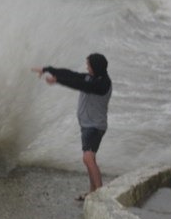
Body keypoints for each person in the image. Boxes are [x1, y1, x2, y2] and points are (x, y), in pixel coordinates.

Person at [31, 53, 112, 201]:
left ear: (96, 66)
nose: (87, 67)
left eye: (89, 65)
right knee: (90, 159)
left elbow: (82, 85)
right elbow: (72, 75)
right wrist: (48, 69)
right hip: (88, 125)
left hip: (94, 126)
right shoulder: (91, 77)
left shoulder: (103, 84)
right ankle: (93, 192)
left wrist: (58, 80)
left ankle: (101, 196)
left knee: (88, 158)